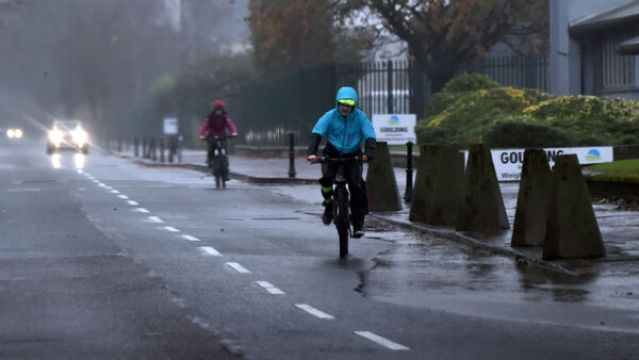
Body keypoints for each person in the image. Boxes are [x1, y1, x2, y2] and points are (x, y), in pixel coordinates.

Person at [307, 86, 377, 238]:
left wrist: (369, 152)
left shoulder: (360, 118)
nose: (345, 108)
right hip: (332, 153)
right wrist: (312, 152)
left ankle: (358, 222)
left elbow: (370, 134)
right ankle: (328, 204)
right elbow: (317, 132)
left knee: (357, 186)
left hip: (353, 155)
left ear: (354, 105)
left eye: (349, 105)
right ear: (337, 104)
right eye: (342, 104)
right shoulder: (330, 116)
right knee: (326, 179)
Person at [198, 100, 238, 180]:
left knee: (225, 152)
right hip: (212, 136)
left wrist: (234, 132)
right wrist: (201, 135)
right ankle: (210, 161)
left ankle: (226, 172)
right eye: (217, 109)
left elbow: (230, 125)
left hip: (222, 136)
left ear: (222, 109)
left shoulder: (225, 117)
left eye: (220, 109)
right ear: (214, 109)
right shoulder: (210, 117)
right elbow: (204, 127)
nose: (219, 111)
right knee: (211, 149)